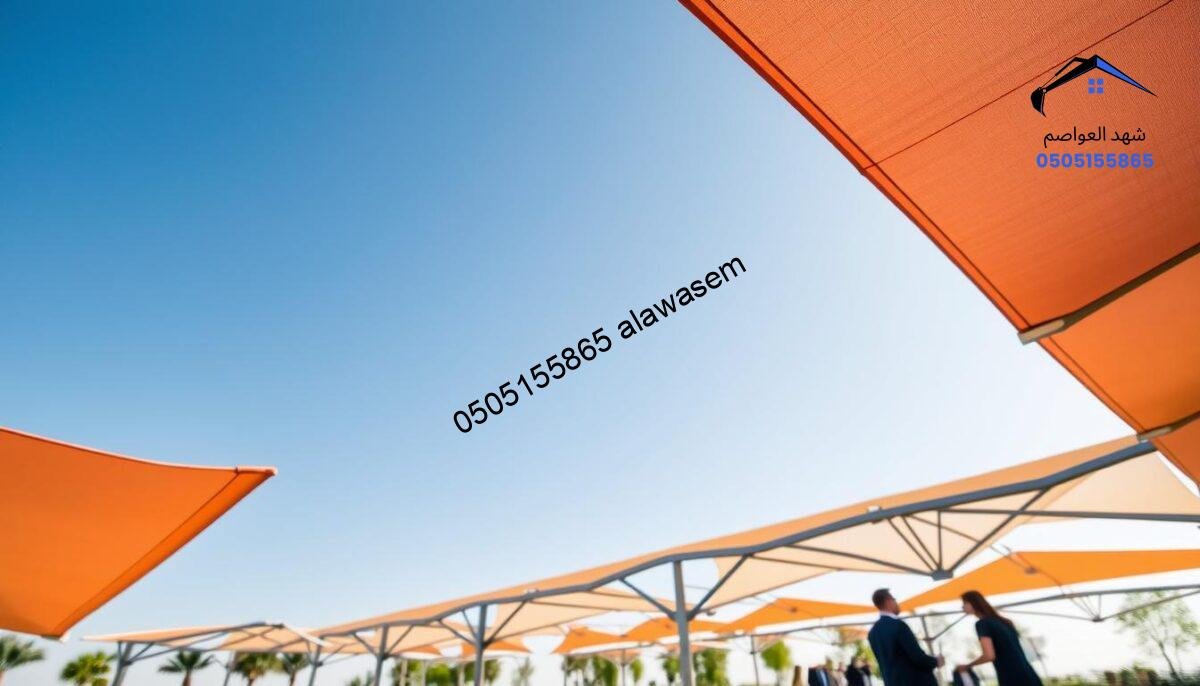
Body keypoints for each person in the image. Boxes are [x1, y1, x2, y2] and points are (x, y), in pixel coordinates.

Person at [956, 591, 1043, 686]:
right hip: (1029, 674)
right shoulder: (1005, 622)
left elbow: (989, 655)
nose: (962, 607)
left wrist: (967, 666)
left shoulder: (982, 624)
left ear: (974, 603)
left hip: (1011, 677)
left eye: (964, 603)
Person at [867, 588, 942, 686]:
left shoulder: (873, 632)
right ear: (888, 601)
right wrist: (936, 661)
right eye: (894, 600)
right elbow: (917, 658)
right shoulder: (898, 625)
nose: (897, 603)